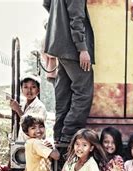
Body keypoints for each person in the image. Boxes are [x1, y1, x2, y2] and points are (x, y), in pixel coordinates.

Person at [43, 0, 95, 144]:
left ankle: (59, 135)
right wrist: (82, 49)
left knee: (63, 93)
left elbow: (46, 4)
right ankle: (70, 134)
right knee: (83, 91)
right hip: (72, 48)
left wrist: (60, 24)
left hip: (58, 46)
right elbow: (77, 18)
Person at [10, 75, 47, 142]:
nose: (29, 90)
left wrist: (18, 110)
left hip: (34, 145)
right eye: (26, 87)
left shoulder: (40, 107)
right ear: (22, 89)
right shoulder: (23, 104)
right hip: (21, 142)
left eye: (33, 87)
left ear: (38, 90)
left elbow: (32, 126)